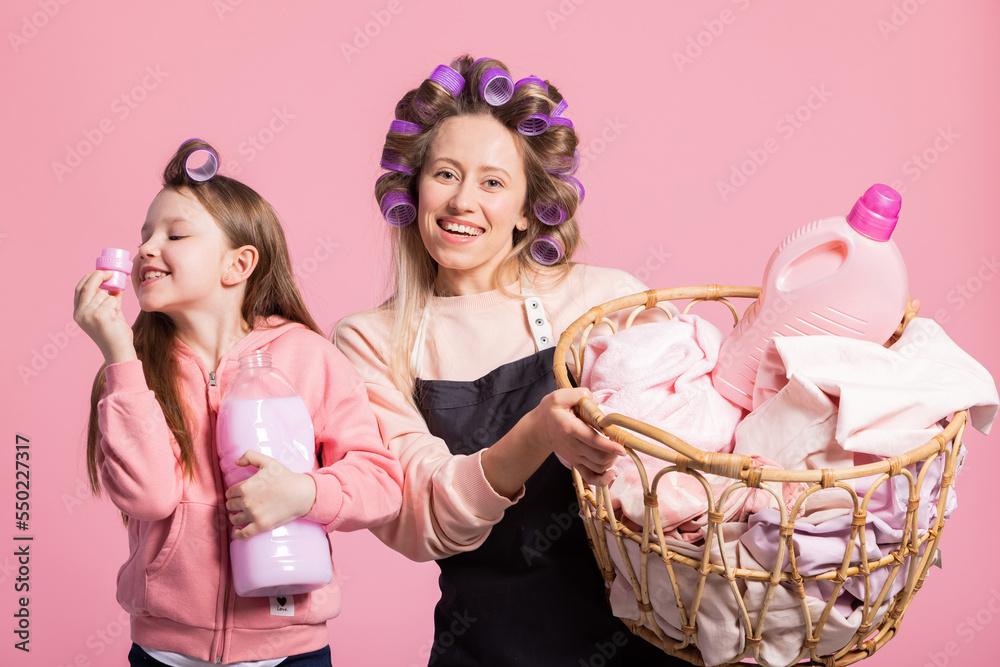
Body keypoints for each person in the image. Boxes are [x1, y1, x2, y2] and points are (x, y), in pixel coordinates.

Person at [334, 56, 689, 665]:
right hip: (486, 648)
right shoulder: (372, 341)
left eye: (493, 182)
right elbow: (426, 520)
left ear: (528, 208)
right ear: (414, 187)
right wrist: (540, 432)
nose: (462, 201)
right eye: (445, 174)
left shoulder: (607, 301)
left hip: (647, 646)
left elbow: (694, 447)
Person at [75, 140, 403, 667]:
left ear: (239, 264)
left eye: (175, 234)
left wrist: (303, 492)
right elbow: (151, 497)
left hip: (289, 649)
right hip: (166, 652)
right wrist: (117, 352)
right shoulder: (131, 370)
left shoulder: (307, 358)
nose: (147, 249)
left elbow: (382, 482)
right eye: (145, 237)